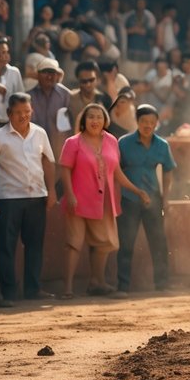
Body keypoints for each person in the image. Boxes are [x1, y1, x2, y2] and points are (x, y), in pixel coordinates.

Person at [59, 103, 148, 299]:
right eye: (90, 117)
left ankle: (96, 282)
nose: (95, 121)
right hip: (78, 200)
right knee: (74, 243)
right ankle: (67, 288)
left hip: (102, 202)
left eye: (99, 117)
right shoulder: (73, 142)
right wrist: (70, 194)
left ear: (105, 120)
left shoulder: (111, 141)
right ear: (84, 120)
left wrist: (136, 190)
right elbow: (64, 169)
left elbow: (116, 172)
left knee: (107, 243)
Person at [0, 92, 56, 304]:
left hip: (37, 197)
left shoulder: (39, 133)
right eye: (19, 112)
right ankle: (9, 293)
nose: (23, 116)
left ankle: (33, 289)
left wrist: (52, 191)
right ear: (9, 113)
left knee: (35, 246)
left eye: (27, 112)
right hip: (8, 199)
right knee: (6, 247)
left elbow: (47, 162)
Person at [117, 104, 176, 293]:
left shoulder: (162, 145)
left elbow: (168, 171)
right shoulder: (123, 143)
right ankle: (123, 286)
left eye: (152, 122)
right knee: (126, 243)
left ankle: (162, 284)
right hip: (129, 198)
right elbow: (116, 170)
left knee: (158, 242)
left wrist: (166, 198)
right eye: (144, 121)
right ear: (137, 122)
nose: (148, 125)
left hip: (153, 199)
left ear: (157, 123)